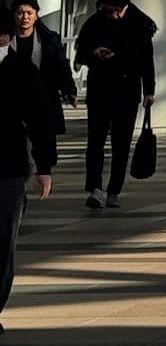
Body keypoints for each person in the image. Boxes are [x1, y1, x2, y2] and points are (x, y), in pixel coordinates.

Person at [73, 0, 155, 211]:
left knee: (121, 144)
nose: (113, 15)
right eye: (108, 11)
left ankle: (114, 190)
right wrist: (95, 53)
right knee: (95, 142)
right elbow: (82, 50)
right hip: (100, 88)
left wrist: (150, 89)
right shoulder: (94, 23)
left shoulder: (140, 25)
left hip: (127, 90)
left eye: (117, 11)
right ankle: (95, 188)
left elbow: (146, 59)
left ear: (125, 7)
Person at [0, 20, 55, 330]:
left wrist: (44, 167)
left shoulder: (21, 71)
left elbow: (40, 121)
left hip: (7, 168)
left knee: (3, 241)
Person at [9, 0, 75, 142]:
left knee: (43, 148)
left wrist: (69, 90)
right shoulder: (5, 40)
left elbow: (62, 65)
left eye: (29, 13)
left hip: (43, 100)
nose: (25, 17)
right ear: (13, 15)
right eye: (20, 13)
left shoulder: (49, 39)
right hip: (13, 100)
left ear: (36, 15)